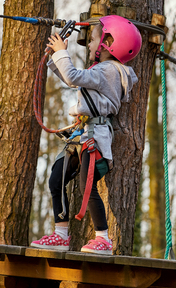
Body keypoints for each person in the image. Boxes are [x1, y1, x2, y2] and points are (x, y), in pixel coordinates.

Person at [30, 15, 142, 255]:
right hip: (82, 135)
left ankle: (103, 238)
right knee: (56, 178)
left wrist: (62, 53)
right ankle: (61, 235)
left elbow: (73, 77)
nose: (90, 45)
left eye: (92, 40)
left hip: (94, 136)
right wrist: (55, 58)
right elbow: (74, 78)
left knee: (86, 185)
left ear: (108, 42)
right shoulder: (103, 71)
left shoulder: (110, 71)